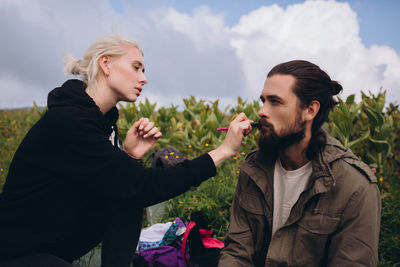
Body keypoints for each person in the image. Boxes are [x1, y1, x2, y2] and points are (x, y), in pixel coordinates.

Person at [0, 35, 254, 267]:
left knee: (127, 196)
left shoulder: (98, 124)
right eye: (136, 67)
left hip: (47, 252)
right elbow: (142, 186)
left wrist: (129, 157)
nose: (143, 78)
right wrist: (223, 151)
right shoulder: (69, 122)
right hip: (15, 253)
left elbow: (124, 190)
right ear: (106, 64)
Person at [219, 60, 381, 266]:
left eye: (275, 102)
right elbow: (237, 252)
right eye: (263, 101)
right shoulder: (254, 169)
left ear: (310, 110)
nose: (261, 111)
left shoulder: (354, 186)